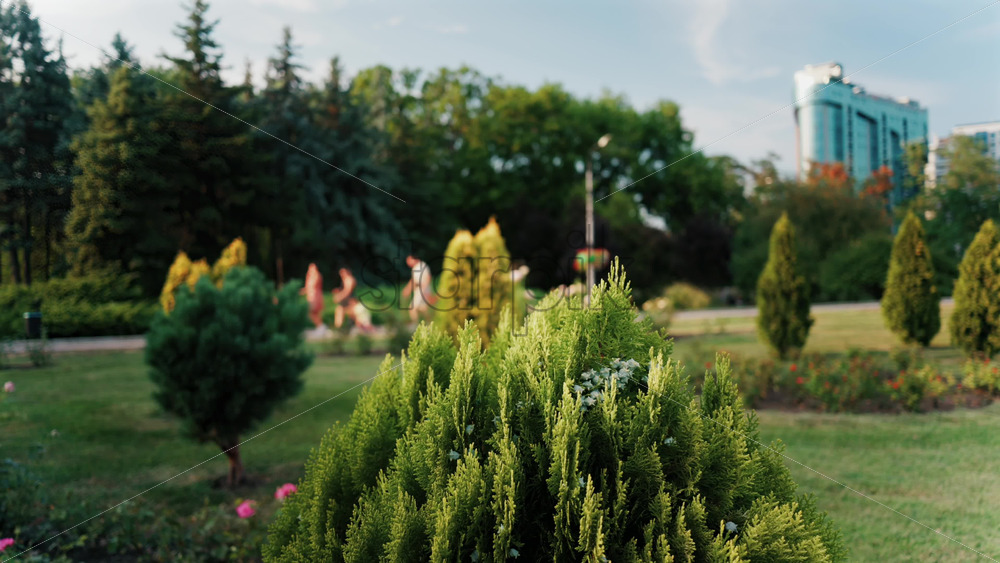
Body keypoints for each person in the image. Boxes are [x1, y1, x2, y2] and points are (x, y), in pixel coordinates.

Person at [401, 255, 435, 324]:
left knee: (412, 308)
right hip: (418, 290)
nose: (408, 263)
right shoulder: (415, 268)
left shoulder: (422, 266)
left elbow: (428, 277)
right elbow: (413, 281)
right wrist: (407, 289)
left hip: (423, 290)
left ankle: (415, 324)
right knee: (423, 308)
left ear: (414, 259)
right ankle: (430, 322)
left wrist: (424, 290)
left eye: (409, 261)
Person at [299, 263, 324, 329]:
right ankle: (319, 327)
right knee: (312, 313)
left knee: (312, 313)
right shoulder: (310, 277)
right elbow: (307, 288)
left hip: (315, 297)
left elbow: (311, 286)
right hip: (311, 297)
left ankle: (321, 327)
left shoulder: (317, 276)